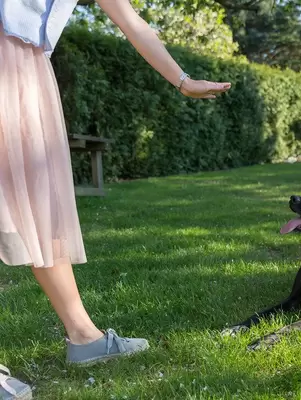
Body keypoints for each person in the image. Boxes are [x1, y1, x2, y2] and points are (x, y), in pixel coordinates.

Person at [0, 0, 231, 398]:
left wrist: (182, 79)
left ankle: (83, 335)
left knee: (37, 206)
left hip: (26, 72)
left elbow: (131, 21)